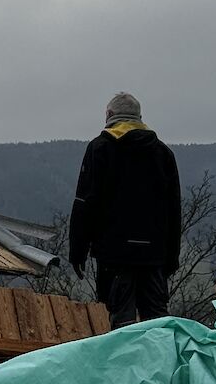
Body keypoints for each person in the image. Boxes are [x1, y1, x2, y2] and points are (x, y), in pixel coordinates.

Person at [68, 91, 182, 329]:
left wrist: (77, 251)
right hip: (154, 255)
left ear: (109, 115)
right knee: (158, 323)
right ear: (139, 117)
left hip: (114, 254)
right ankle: (163, 365)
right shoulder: (163, 153)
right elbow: (174, 211)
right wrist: (170, 259)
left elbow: (85, 203)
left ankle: (125, 365)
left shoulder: (100, 149)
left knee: (122, 323)